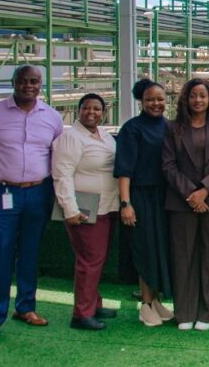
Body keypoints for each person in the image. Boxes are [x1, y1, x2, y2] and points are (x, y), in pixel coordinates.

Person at [0, 65, 63, 345]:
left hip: (38, 192)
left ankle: (25, 307)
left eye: (34, 81)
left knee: (30, 251)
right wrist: (0, 179)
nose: (28, 86)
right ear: (13, 83)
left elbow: (56, 153)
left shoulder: (52, 117)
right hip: (1, 192)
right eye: (22, 81)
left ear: (41, 84)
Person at [162, 78, 209, 331]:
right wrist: (192, 194)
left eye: (203, 95)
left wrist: (204, 191)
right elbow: (168, 166)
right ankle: (185, 313)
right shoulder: (173, 128)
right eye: (193, 95)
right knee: (184, 258)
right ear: (186, 98)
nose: (198, 100)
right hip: (182, 204)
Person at [52, 93, 119, 331]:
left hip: (107, 207)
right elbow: (62, 175)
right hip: (84, 208)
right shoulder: (70, 138)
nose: (92, 112)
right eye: (87, 108)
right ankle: (81, 313)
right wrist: (69, 209)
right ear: (78, 110)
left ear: (104, 112)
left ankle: (93, 303)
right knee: (89, 262)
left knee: (97, 260)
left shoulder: (105, 136)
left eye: (97, 109)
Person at [114, 79, 173, 327]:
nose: (155, 104)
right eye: (150, 100)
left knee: (161, 249)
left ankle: (156, 300)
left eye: (160, 99)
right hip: (141, 196)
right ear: (141, 101)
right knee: (146, 249)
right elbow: (124, 169)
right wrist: (125, 203)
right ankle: (146, 304)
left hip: (165, 197)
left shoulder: (170, 127)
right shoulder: (132, 128)